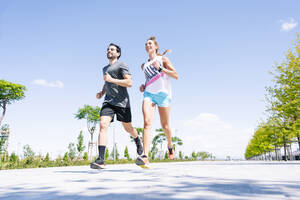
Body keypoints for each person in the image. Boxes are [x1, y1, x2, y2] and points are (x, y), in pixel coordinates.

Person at [90, 43, 143, 169]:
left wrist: (111, 80)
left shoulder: (122, 65)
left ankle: (137, 140)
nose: (109, 51)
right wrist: (102, 92)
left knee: (128, 128)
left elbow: (129, 83)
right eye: (108, 49)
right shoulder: (105, 68)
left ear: (118, 53)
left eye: (112, 49)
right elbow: (106, 82)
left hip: (122, 102)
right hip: (108, 101)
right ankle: (101, 159)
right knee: (103, 125)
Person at [136, 36, 178, 168]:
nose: (147, 45)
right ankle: (145, 155)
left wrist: (160, 68)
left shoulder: (162, 59)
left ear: (155, 47)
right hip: (148, 94)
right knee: (147, 123)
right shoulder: (144, 65)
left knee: (165, 126)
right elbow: (150, 79)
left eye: (150, 43)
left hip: (163, 95)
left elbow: (176, 75)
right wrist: (144, 86)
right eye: (146, 44)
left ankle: (170, 145)